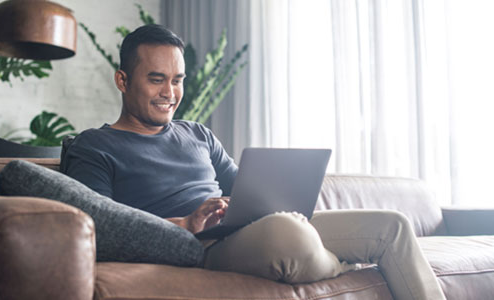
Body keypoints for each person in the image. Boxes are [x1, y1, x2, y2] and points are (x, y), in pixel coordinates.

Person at [62, 24, 445, 300]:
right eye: (157, 79)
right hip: (201, 247)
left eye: (177, 79)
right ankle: (339, 262)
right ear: (123, 80)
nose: (170, 92)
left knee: (391, 226)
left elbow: (249, 192)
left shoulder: (198, 134)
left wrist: (265, 202)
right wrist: (185, 223)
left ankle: (320, 250)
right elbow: (99, 230)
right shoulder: (94, 147)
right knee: (287, 234)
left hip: (249, 230)